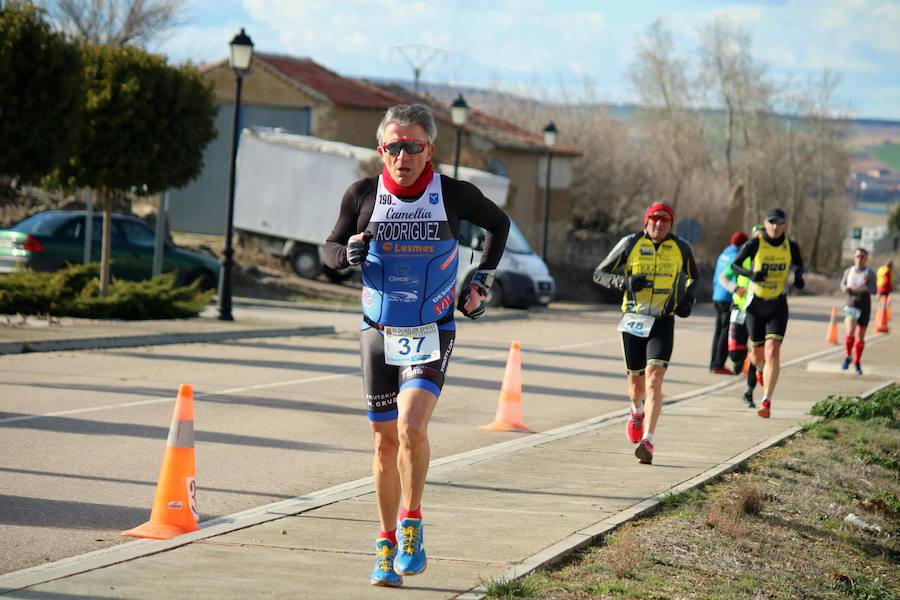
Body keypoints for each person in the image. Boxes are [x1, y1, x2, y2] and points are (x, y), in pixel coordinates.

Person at [324, 104, 510, 587]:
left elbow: (499, 224)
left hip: (431, 329)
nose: (402, 156)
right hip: (377, 330)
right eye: (393, 146)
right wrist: (346, 254)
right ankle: (384, 543)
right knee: (384, 442)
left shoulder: (451, 194)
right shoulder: (363, 194)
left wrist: (481, 278)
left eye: (413, 146)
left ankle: (412, 523)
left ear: (430, 149)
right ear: (381, 149)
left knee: (411, 425)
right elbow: (328, 251)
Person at [593, 202, 698, 465]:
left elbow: (693, 277)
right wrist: (624, 282)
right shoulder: (630, 244)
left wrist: (687, 299)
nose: (659, 225)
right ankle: (636, 411)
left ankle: (648, 440)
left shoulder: (681, 248)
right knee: (636, 386)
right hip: (634, 320)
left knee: (654, 380)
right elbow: (599, 273)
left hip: (663, 321)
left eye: (665, 221)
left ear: (671, 225)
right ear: (646, 221)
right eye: (654, 220)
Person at [729, 208, 805, 418]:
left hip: (778, 305)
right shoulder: (755, 243)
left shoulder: (791, 246)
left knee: (773, 351)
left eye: (779, 222)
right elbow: (734, 265)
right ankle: (760, 370)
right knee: (757, 354)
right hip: (756, 305)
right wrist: (752, 274)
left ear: (785, 225)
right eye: (771, 222)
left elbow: (799, 265)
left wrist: (798, 277)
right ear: (765, 223)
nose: (774, 226)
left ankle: (766, 400)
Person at [719, 225, 763, 407]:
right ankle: (740, 357)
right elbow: (724, 277)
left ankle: (749, 392)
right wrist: (734, 288)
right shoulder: (743, 257)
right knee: (735, 354)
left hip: (758, 311)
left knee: (755, 353)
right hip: (739, 308)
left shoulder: (768, 261)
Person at [710, 231, 749, 374]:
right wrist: (736, 290)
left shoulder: (723, 254)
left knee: (718, 331)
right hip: (728, 297)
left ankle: (713, 363)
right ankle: (719, 364)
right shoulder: (736, 257)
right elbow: (734, 278)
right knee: (726, 333)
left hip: (717, 296)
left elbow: (717, 275)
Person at [840, 248, 877, 375]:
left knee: (860, 336)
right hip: (851, 304)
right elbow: (842, 285)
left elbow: (874, 290)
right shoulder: (848, 271)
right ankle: (847, 356)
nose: (859, 259)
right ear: (854, 257)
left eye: (862, 256)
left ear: (866, 258)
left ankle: (857, 361)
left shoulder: (870, 273)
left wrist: (864, 288)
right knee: (850, 331)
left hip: (864, 306)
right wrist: (846, 288)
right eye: (857, 256)